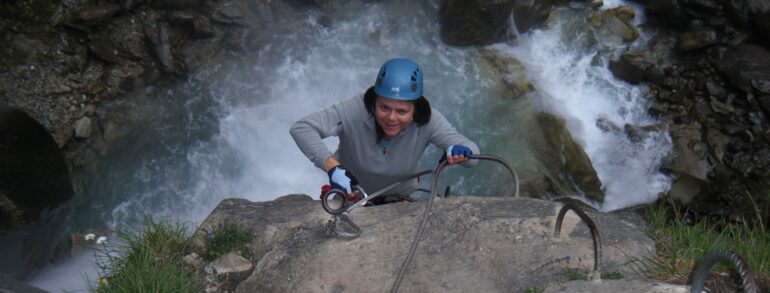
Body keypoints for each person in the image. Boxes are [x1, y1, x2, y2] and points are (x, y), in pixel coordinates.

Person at [290, 58, 479, 199]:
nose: (391, 118)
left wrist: (460, 151)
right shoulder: (356, 109)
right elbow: (302, 128)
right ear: (374, 103)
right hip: (351, 194)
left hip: (400, 198)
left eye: (402, 111)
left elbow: (472, 157)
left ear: (415, 109)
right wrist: (333, 167)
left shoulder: (428, 120)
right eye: (384, 108)